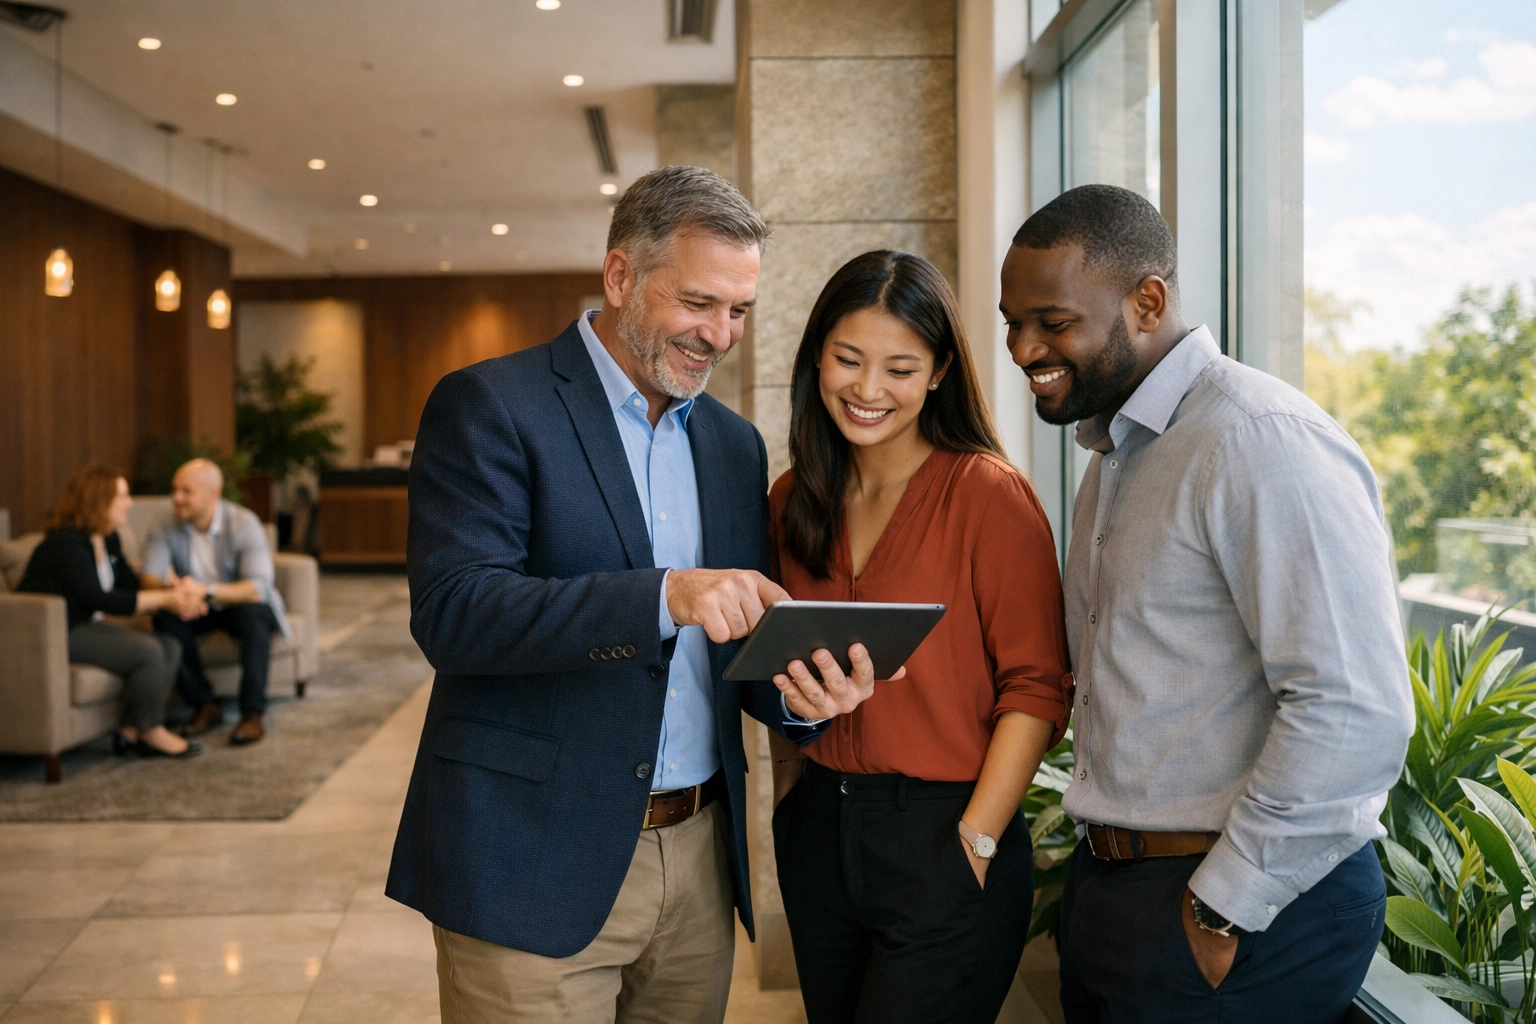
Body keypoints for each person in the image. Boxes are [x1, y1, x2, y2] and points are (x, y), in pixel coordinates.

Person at [386, 165, 886, 1024]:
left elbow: (735, 640)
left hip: (697, 863)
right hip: (530, 861)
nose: (721, 334)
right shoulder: (490, 405)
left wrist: (806, 697)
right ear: (620, 276)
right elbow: (455, 613)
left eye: (739, 311)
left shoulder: (733, 445)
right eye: (699, 303)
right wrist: (663, 597)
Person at [1001, 183, 1412, 1022]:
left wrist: (1220, 905)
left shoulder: (1258, 439)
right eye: (1011, 322)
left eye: (1051, 321)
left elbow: (1354, 709)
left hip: (1240, 908)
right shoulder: (1117, 452)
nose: (1021, 347)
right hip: (1125, 888)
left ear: (1146, 301)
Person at [766, 250, 1072, 1024]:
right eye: (847, 360)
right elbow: (773, 668)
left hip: (945, 833)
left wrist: (973, 844)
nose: (868, 391)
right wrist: (789, 801)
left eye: (900, 368)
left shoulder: (986, 495)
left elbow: (1037, 686)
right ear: (816, 358)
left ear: (938, 373)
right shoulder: (792, 498)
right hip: (819, 835)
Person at [19, 465, 206, 758]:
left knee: (170, 644)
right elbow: (102, 599)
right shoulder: (64, 544)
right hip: (57, 633)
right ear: (98, 500)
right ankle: (151, 730)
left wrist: (171, 587)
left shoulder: (107, 539)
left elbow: (129, 584)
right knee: (148, 652)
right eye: (123, 496)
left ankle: (131, 731)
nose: (129, 503)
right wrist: (167, 599)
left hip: (87, 625)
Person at [141, 458, 291, 746]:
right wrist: (173, 592)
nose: (177, 499)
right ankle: (204, 705)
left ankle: (252, 713)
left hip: (238, 603)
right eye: (175, 490)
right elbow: (149, 576)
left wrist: (204, 590)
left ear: (213, 495)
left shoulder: (244, 523)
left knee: (255, 614)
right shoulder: (165, 522)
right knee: (165, 617)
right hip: (196, 606)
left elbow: (258, 586)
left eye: (186, 491)